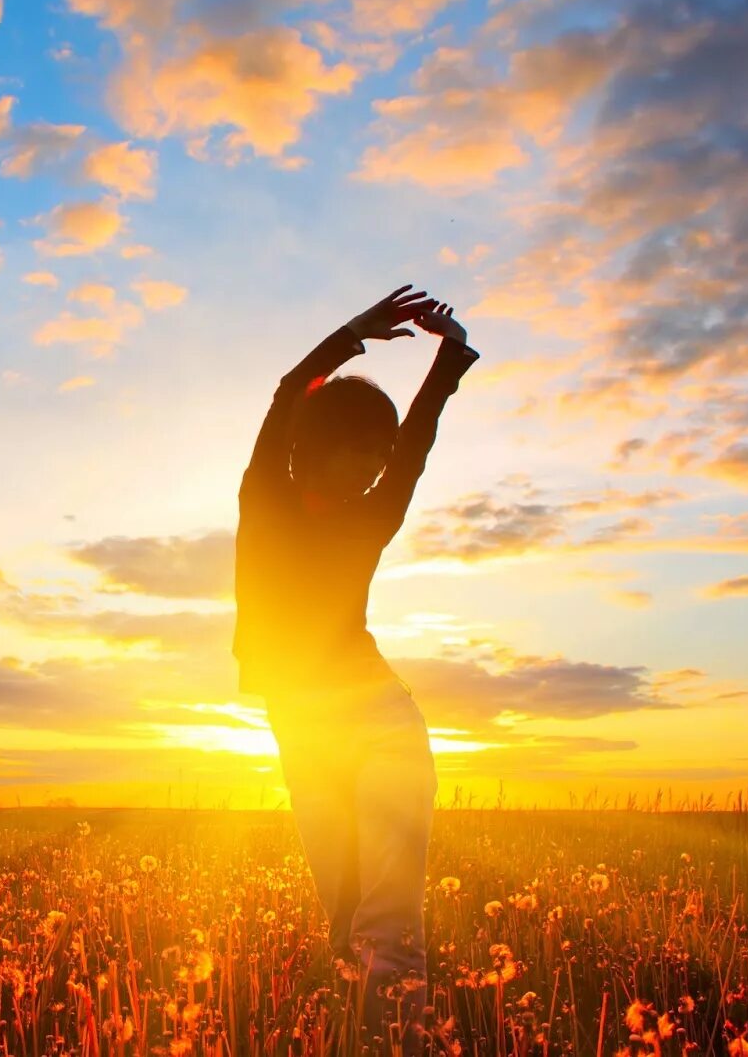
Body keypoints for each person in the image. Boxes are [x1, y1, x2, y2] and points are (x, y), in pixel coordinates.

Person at [232, 285, 479, 1053]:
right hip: (305, 730)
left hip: (382, 725)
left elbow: (418, 443)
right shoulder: (265, 496)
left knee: (390, 927)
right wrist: (350, 334)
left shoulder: (376, 512)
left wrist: (449, 356)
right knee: (344, 917)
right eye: (358, 450)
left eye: (378, 455)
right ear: (314, 444)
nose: (374, 467)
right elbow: (286, 397)